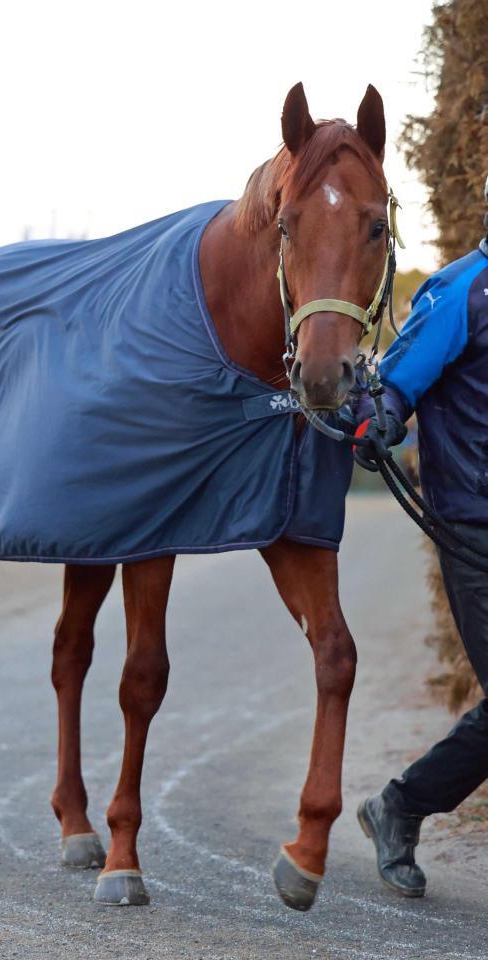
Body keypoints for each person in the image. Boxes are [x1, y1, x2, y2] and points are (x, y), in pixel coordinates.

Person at [355, 174, 488, 898]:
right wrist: (379, 420)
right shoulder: (461, 291)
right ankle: (399, 806)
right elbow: (396, 386)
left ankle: (398, 806)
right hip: (473, 520)